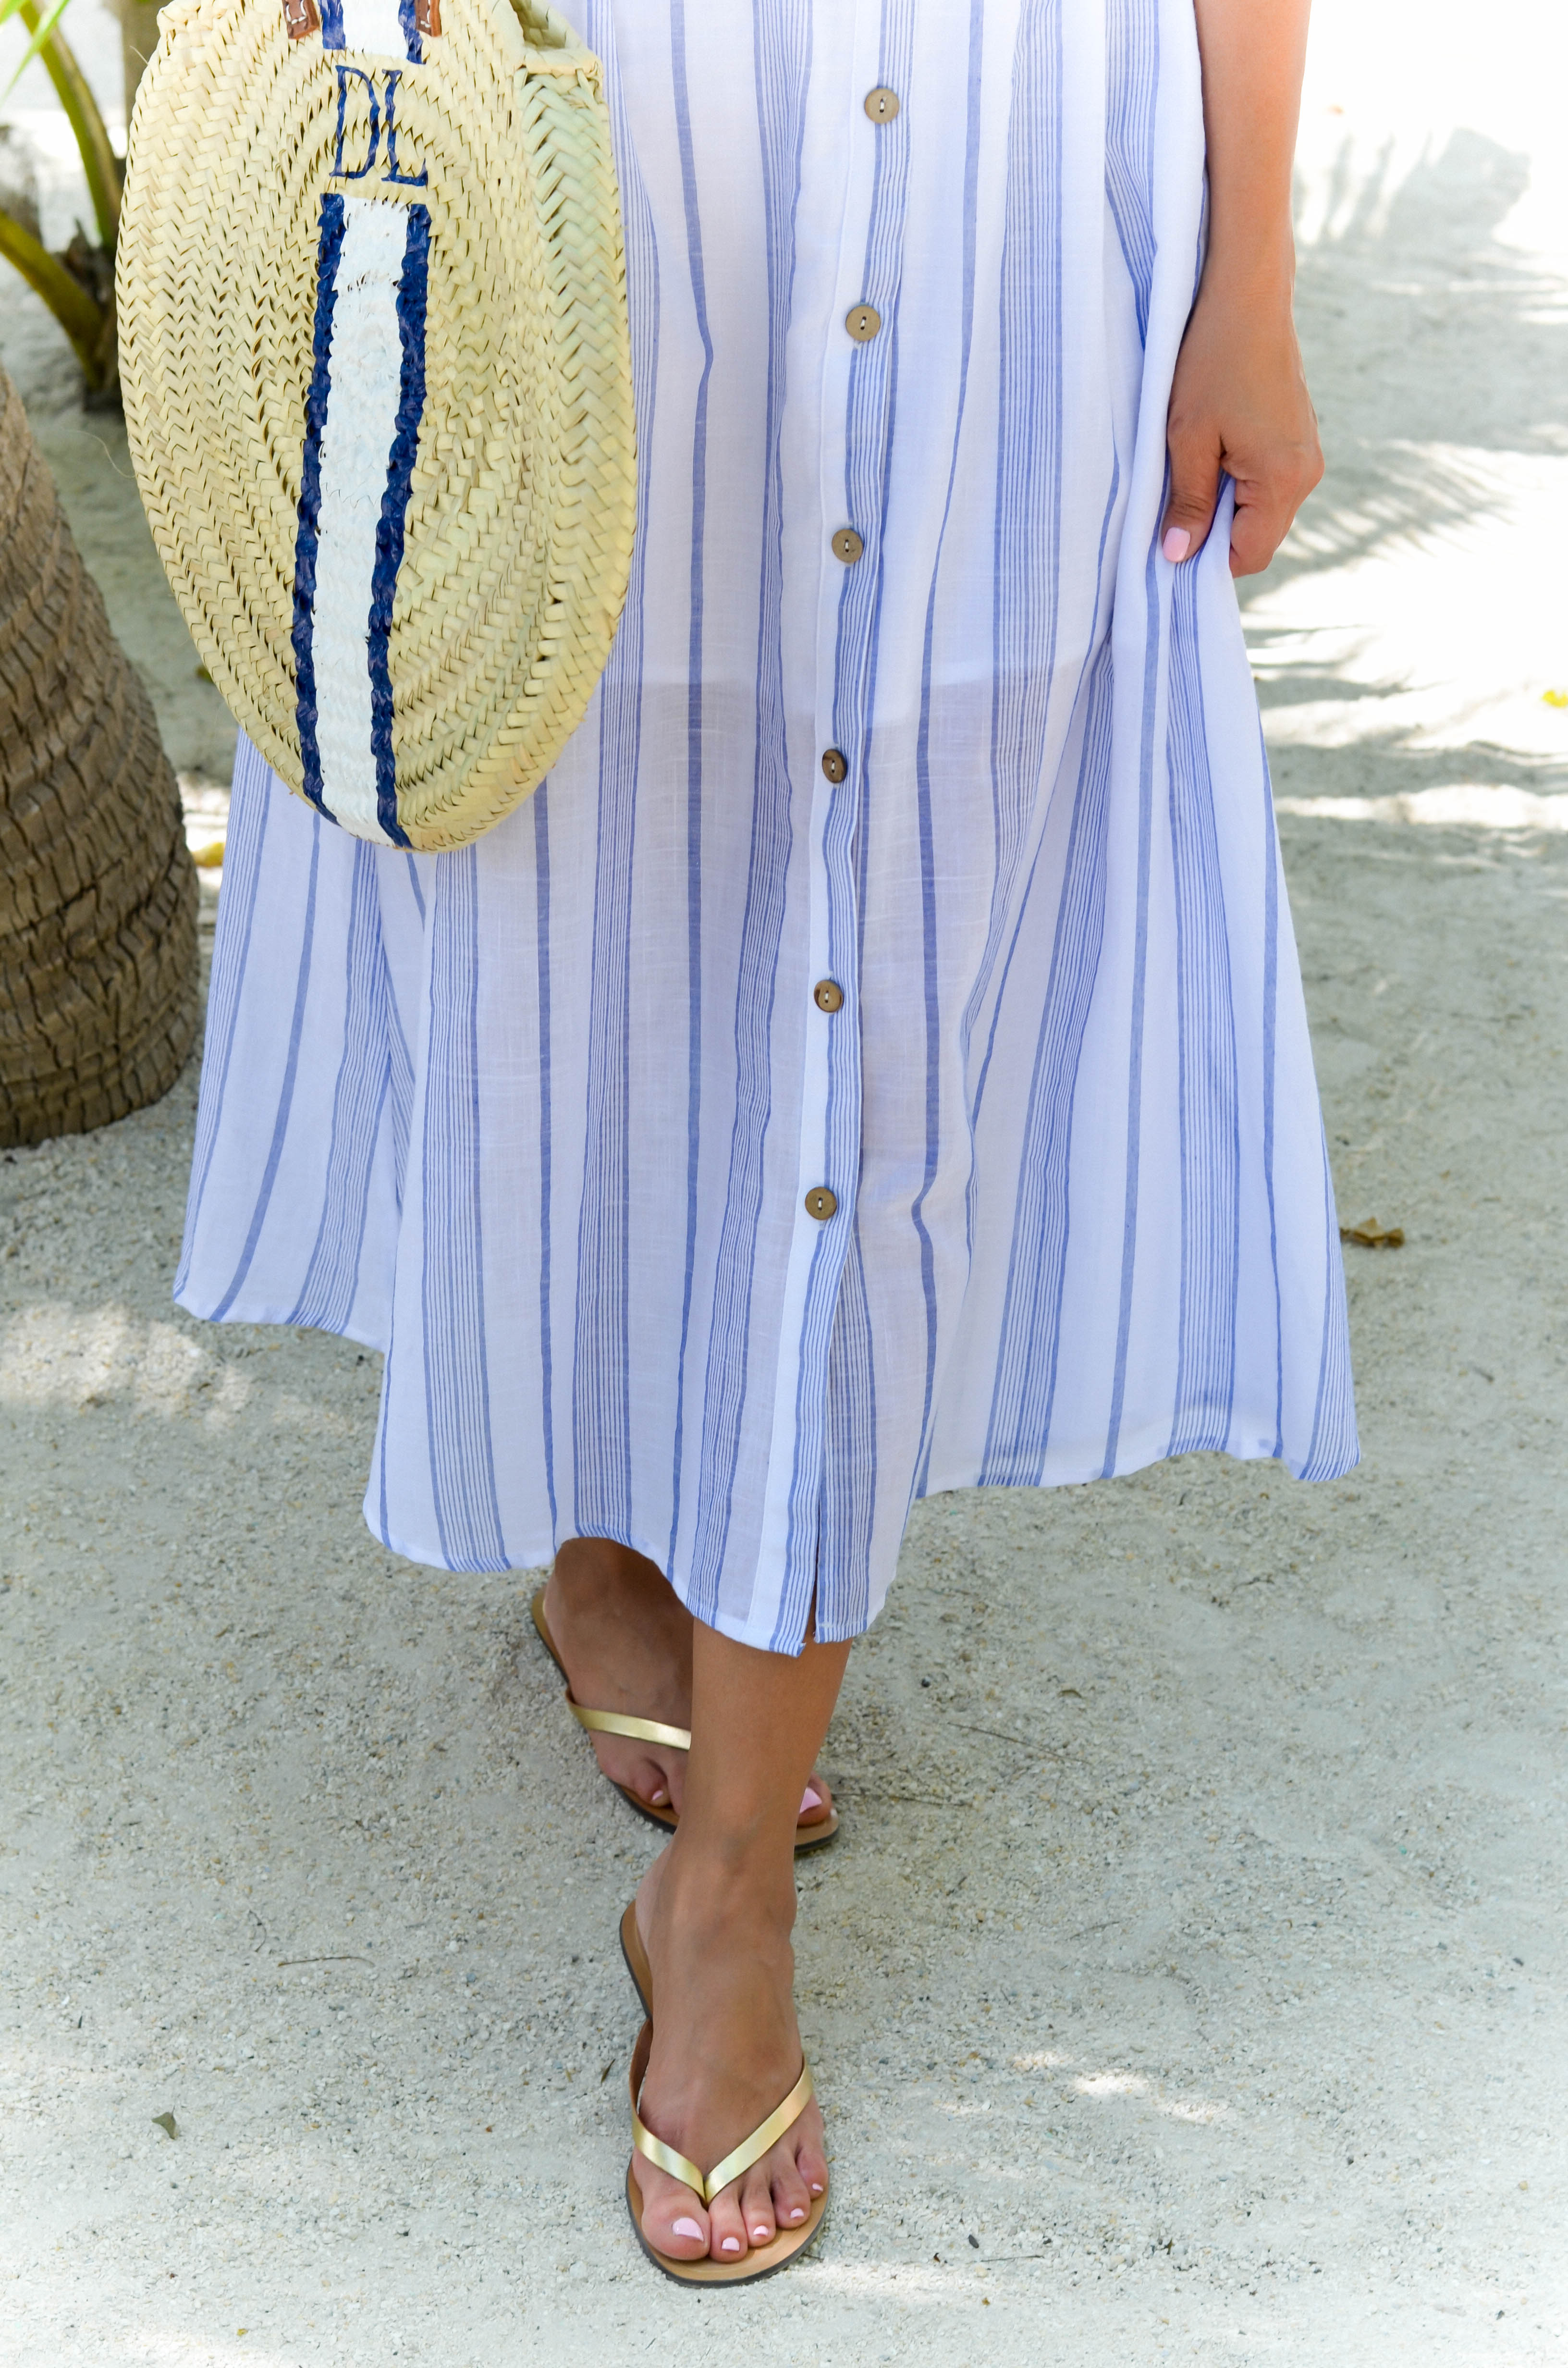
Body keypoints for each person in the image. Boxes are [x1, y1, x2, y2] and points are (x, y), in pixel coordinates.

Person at [177, 0, 1351, 2285]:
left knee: (878, 967)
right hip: (585, 128)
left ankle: (716, 1889)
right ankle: (607, 1540)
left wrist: (1252, 278)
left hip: (1008, 168)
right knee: (562, 844)